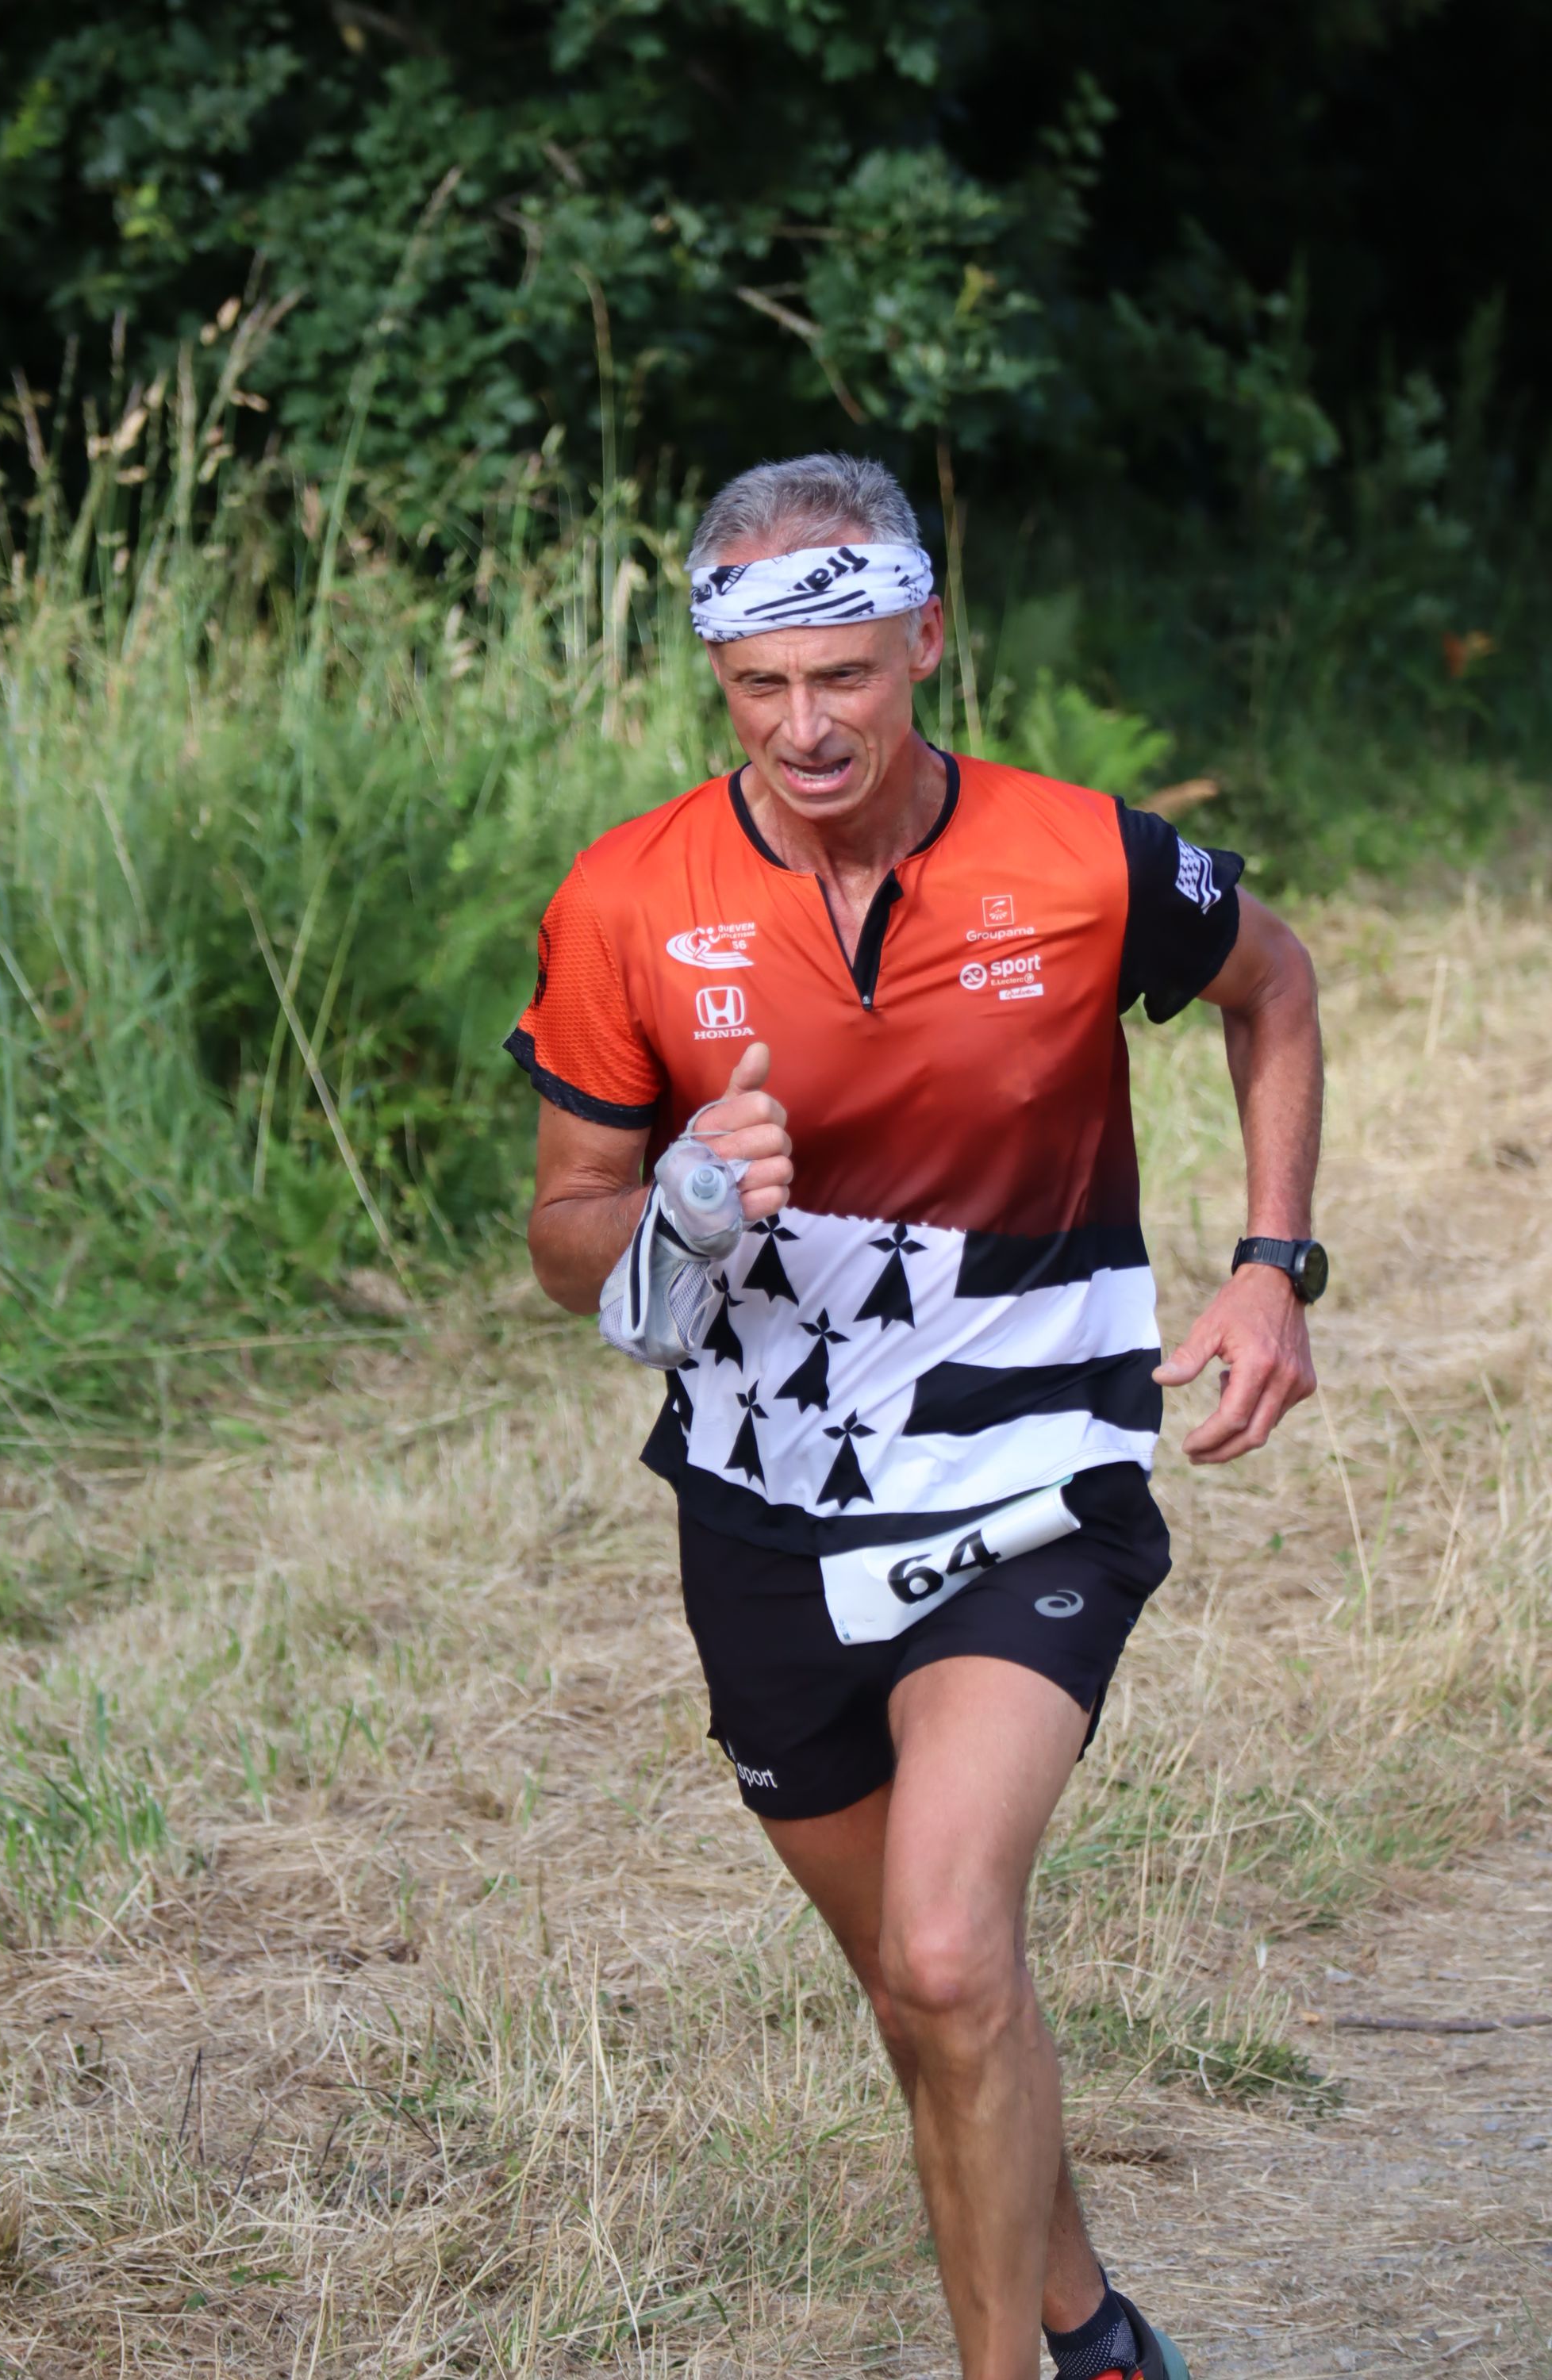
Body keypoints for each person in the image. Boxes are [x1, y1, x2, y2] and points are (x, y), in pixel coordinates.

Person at [505, 452, 1325, 2380]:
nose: (805, 729)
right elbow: (562, 1239)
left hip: (1034, 1469)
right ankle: (1092, 2334)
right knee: (921, 1996)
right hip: (763, 1501)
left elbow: (1273, 984)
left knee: (950, 1952)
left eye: (845, 677)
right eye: (759, 688)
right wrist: (672, 1209)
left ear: (925, 643)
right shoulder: (628, 900)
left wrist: (1271, 1263)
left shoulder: (1083, 859)